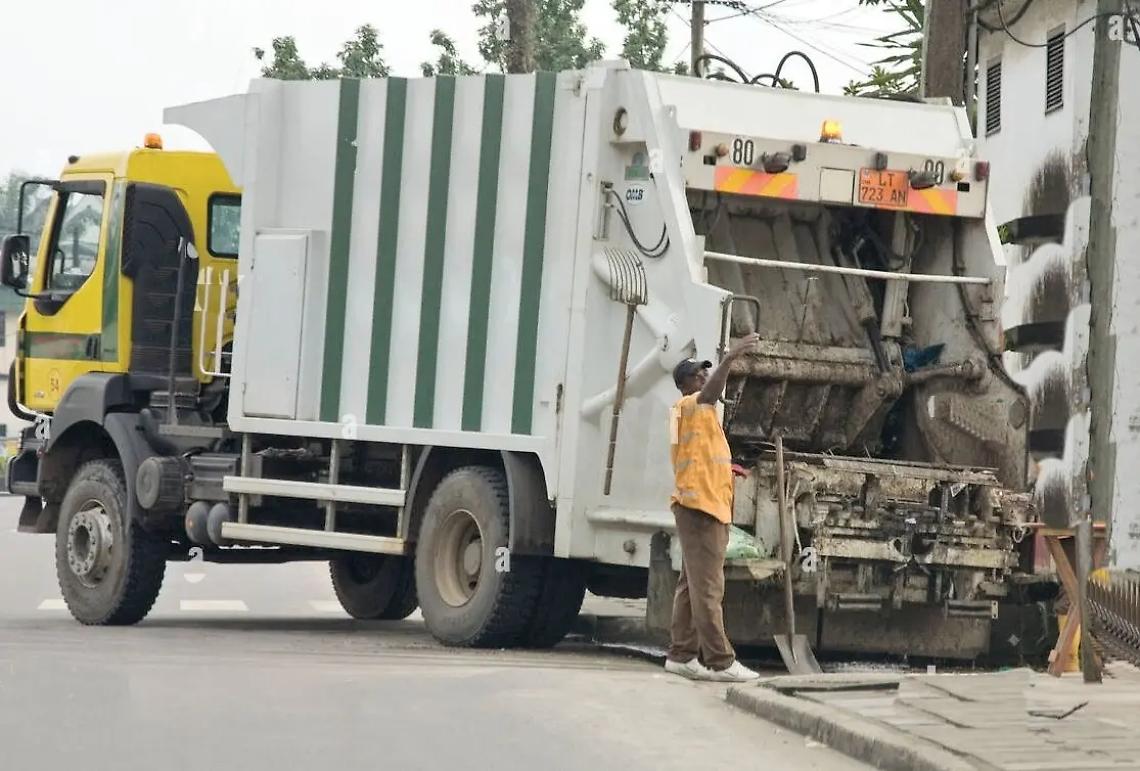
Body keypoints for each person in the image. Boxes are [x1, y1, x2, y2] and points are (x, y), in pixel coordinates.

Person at [663, 333, 762, 683]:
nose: (704, 378)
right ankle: (720, 661)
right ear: (683, 385)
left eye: (706, 373)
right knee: (708, 588)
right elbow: (705, 396)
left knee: (691, 586)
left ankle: (681, 654)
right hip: (699, 509)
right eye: (697, 374)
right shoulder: (687, 407)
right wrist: (731, 358)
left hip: (704, 507)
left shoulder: (702, 417)